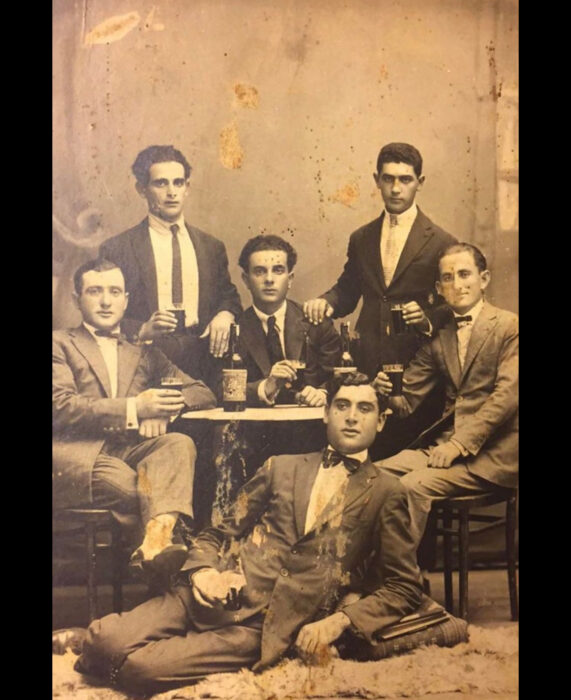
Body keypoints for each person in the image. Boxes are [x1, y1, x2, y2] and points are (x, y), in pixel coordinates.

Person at [76, 373, 423, 694]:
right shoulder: (280, 467)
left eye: (364, 409)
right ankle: (104, 643)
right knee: (102, 641)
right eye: (342, 406)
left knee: (140, 669)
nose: (351, 417)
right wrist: (203, 573)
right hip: (204, 598)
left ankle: (132, 654)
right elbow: (217, 532)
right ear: (325, 414)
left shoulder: (387, 493)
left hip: (260, 628)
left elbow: (404, 586)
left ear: (380, 421)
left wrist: (339, 621)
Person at [53, 258, 217, 575]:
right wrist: (136, 409)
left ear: (126, 299)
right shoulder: (58, 343)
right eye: (94, 291)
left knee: (178, 443)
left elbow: (202, 390)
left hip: (126, 452)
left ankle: (156, 546)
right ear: (76, 299)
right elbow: (59, 406)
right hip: (74, 457)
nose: (105, 301)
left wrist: (167, 407)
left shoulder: (141, 350)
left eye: (115, 291)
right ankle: (180, 573)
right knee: (147, 492)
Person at [303, 142, 458, 458]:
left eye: (405, 179)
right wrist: (325, 302)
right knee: (361, 451)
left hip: (416, 368)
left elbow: (455, 305)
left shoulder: (442, 241)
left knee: (403, 458)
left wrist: (427, 316)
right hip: (368, 359)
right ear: (377, 180)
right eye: (388, 179)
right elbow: (347, 291)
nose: (396, 189)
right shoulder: (362, 237)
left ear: (420, 182)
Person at [373, 243, 518, 546]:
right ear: (439, 288)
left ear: (484, 279)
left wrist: (457, 445)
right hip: (444, 452)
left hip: (494, 457)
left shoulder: (509, 326)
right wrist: (387, 393)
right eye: (448, 278)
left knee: (412, 486)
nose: (457, 284)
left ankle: (400, 583)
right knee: (372, 475)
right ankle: (376, 575)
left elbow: (506, 398)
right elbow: (406, 402)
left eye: (464, 274)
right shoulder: (441, 337)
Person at [99, 144, 242, 383]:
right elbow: (101, 312)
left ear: (187, 187)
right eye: (160, 183)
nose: (171, 192)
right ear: (141, 189)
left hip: (204, 358)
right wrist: (142, 330)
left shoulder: (210, 246)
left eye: (178, 182)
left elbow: (229, 295)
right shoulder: (117, 249)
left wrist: (225, 315)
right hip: (145, 358)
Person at [237, 234, 341, 408]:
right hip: (256, 427)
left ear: (290, 279)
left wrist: (322, 393)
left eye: (278, 270)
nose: (269, 279)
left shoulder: (315, 323)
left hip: (310, 427)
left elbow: (340, 375)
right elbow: (219, 387)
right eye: (260, 271)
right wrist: (265, 387)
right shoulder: (235, 330)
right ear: (246, 280)